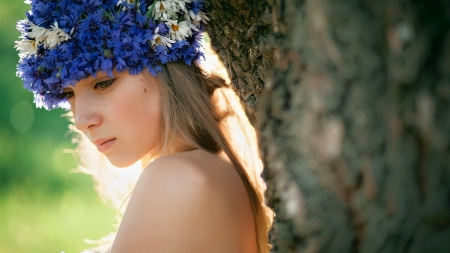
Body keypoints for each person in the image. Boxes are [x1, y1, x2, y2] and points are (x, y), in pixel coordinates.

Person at [15, 0, 273, 252]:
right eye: (68, 94)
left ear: (164, 65)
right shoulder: (217, 169)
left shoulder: (176, 179)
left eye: (103, 83)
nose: (81, 120)